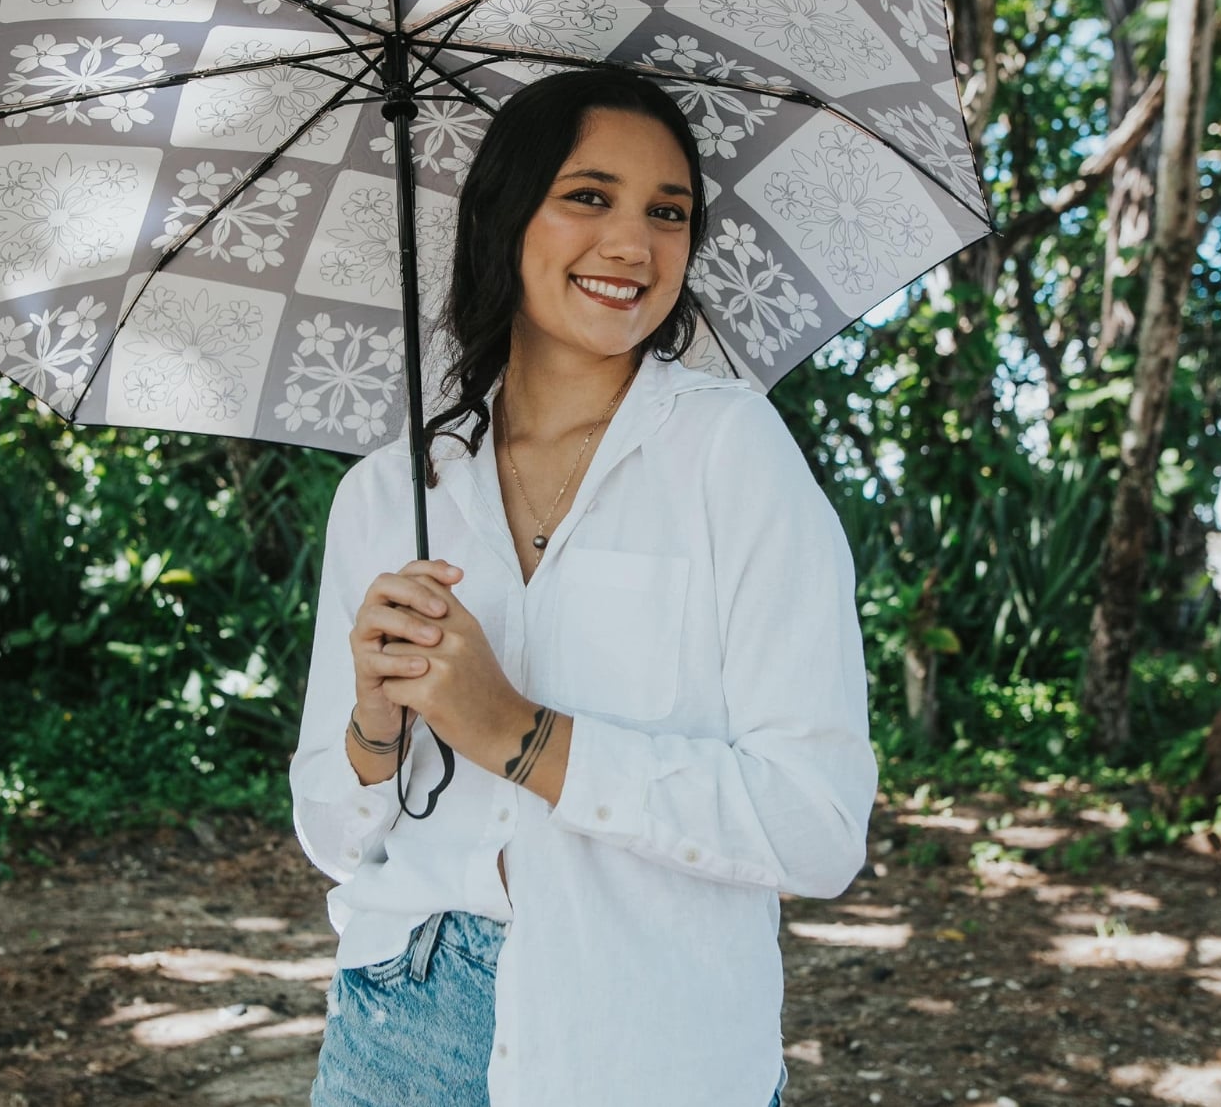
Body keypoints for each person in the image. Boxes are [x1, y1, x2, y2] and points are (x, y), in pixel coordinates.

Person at [289, 67, 877, 1107]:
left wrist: (521, 734)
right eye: (589, 196)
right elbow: (336, 838)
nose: (632, 245)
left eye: (668, 212)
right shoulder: (392, 493)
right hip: (396, 1018)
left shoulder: (730, 453)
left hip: (648, 1039)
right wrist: (375, 727)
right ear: (503, 216)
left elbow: (817, 825)